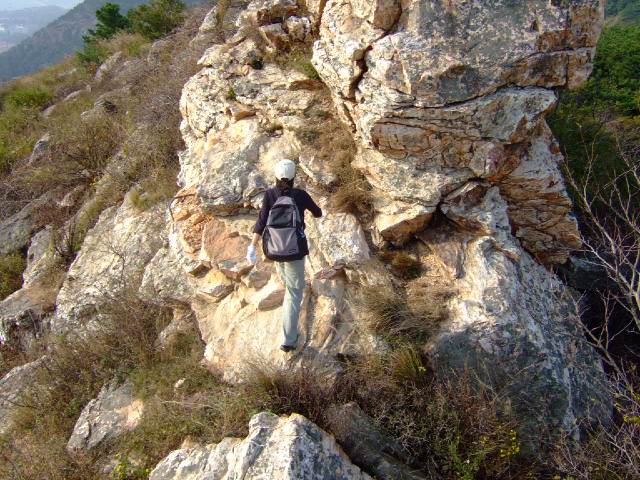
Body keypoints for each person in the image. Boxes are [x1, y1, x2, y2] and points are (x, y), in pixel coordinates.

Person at [246, 159, 322, 352]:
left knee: (290, 286)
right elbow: (318, 213)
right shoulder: (300, 195)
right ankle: (289, 340)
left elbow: (261, 222)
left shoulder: (270, 195)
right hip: (295, 250)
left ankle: (288, 325)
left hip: (275, 251)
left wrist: (252, 247)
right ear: (294, 175)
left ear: (276, 176)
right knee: (294, 293)